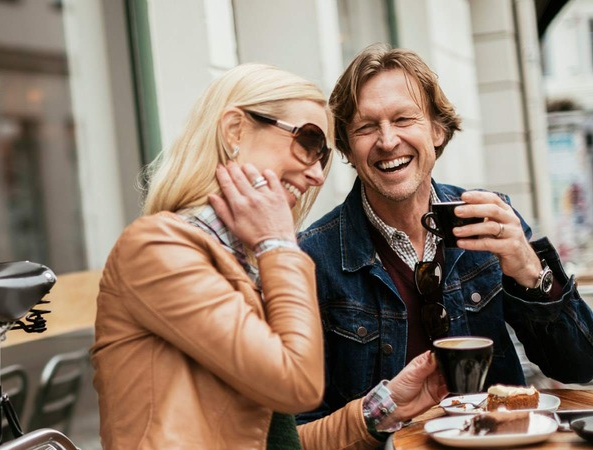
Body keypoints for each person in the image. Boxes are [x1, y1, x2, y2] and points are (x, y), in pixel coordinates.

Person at [91, 63, 447, 450]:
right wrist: (278, 243)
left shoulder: (245, 264)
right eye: (309, 142)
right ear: (234, 131)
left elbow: (281, 441)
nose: (316, 174)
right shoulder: (158, 248)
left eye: (324, 156)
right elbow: (297, 383)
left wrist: (386, 407)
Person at [297, 43, 593, 428]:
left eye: (404, 119)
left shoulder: (490, 219)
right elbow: (300, 423)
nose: (387, 141)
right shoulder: (312, 257)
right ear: (348, 148)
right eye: (367, 127)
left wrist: (530, 272)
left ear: (437, 129)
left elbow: (579, 365)